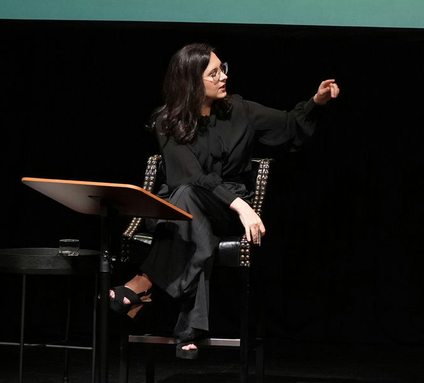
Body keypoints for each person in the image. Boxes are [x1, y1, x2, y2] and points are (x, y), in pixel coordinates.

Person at [111, 44, 339, 360]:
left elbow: (288, 125)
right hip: (177, 209)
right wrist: (242, 205)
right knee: (188, 202)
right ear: (192, 81)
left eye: (223, 68)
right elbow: (188, 178)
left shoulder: (240, 110)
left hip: (221, 212)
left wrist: (317, 101)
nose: (224, 77)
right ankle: (189, 328)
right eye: (214, 73)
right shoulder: (168, 121)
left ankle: (142, 283)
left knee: (194, 217)